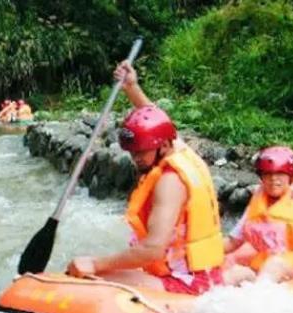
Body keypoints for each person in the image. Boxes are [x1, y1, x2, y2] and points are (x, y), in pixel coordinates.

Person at [66, 61, 236, 295]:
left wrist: (96, 263)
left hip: (186, 282)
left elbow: (152, 250)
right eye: (133, 152)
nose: (136, 158)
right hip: (201, 272)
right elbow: (158, 120)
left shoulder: (170, 182)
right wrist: (131, 87)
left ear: (162, 145)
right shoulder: (180, 152)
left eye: (142, 151)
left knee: (94, 279)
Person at [223, 146, 293, 282]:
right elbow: (233, 242)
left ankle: (258, 295)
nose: (274, 179)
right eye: (268, 174)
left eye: (280, 174)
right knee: (237, 273)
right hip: (262, 265)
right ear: (262, 177)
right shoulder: (255, 207)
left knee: (274, 264)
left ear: (290, 176)